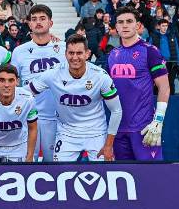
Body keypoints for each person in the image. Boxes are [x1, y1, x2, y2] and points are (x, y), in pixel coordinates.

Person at [28, 34, 121, 162]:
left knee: (104, 174)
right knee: (60, 175)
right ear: (65, 54)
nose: (75, 57)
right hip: (67, 134)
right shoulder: (53, 73)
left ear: (87, 54)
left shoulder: (100, 77)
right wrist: (0, 89)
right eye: (71, 53)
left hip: (96, 132)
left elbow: (117, 110)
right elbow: (27, 92)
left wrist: (109, 145)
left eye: (79, 53)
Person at [107, 7, 170, 161]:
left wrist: (158, 121)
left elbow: (164, 87)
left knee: (151, 180)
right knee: (124, 181)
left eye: (129, 21)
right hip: (118, 130)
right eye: (120, 22)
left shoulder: (150, 51)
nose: (125, 25)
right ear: (116, 27)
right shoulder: (112, 55)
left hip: (144, 129)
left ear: (138, 26)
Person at [10, 4, 67, 161]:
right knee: (28, 160)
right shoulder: (19, 51)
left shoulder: (63, 48)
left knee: (54, 162)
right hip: (28, 115)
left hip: (56, 116)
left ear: (51, 23)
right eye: (34, 19)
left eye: (43, 19)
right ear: (29, 24)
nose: (38, 22)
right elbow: (13, 81)